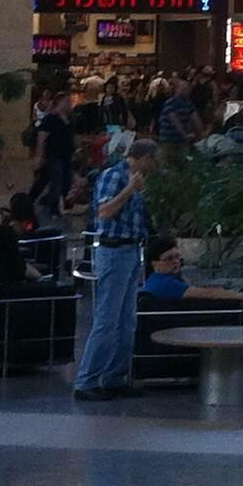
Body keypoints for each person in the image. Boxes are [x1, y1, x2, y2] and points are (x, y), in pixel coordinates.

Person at [73, 140, 154, 402]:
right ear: (142, 157)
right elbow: (105, 212)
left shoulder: (138, 180)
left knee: (126, 321)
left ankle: (113, 377)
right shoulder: (114, 176)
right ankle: (87, 380)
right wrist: (130, 190)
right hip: (114, 252)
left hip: (132, 251)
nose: (155, 165)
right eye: (153, 159)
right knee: (107, 319)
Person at [142, 236, 243, 321]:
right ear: (155, 263)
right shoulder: (166, 284)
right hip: (196, 327)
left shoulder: (154, 282)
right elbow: (207, 294)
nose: (176, 262)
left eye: (178, 257)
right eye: (169, 258)